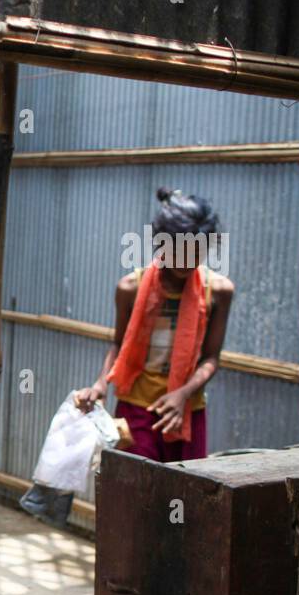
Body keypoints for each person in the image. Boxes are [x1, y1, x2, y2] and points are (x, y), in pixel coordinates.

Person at [74, 187, 234, 462]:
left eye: (196, 253)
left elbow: (211, 359)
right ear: (160, 244)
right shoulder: (130, 288)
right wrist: (101, 385)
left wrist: (183, 395)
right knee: (136, 494)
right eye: (179, 252)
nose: (186, 262)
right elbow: (119, 345)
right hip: (136, 410)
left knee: (188, 493)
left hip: (187, 412)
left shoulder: (218, 291)